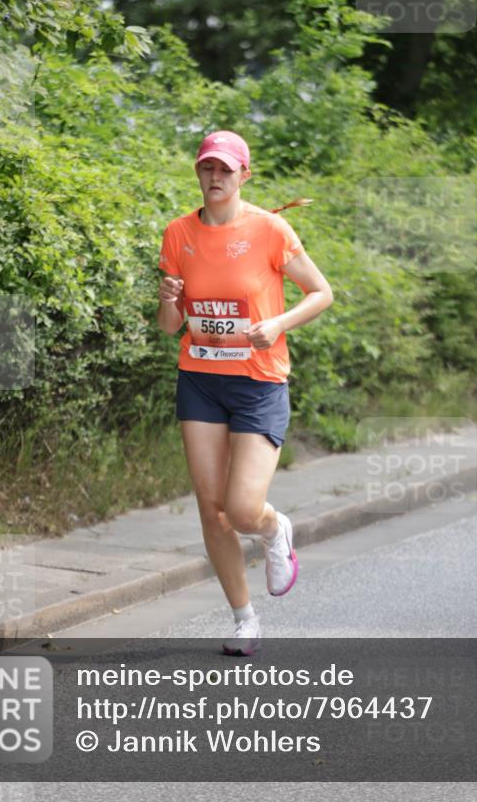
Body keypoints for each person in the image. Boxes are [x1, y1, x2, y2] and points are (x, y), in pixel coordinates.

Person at [157, 130, 333, 655]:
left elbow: (321, 292)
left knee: (240, 508)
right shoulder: (177, 234)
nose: (215, 178)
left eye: (225, 171)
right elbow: (171, 326)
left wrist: (278, 323)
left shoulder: (271, 229)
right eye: (208, 168)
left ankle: (275, 529)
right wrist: (169, 298)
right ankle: (243, 619)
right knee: (211, 509)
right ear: (198, 171)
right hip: (201, 379)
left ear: (243, 176)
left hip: (258, 381)